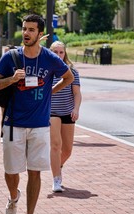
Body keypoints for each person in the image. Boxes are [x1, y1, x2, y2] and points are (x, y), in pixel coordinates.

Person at [0, 14, 74, 214]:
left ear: (40, 34)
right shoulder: (11, 57)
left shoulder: (49, 58)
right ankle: (13, 196)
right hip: (12, 123)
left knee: (35, 171)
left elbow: (69, 77)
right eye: (24, 29)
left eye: (31, 30)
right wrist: (11, 79)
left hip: (39, 124)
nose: (26, 33)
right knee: (11, 170)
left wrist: (50, 91)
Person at [49, 41, 82, 192]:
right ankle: (56, 179)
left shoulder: (72, 71)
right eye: (55, 52)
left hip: (68, 112)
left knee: (67, 149)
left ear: (65, 53)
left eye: (61, 52)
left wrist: (76, 109)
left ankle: (57, 165)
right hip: (52, 112)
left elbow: (76, 93)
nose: (58, 55)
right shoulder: (47, 70)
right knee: (56, 145)